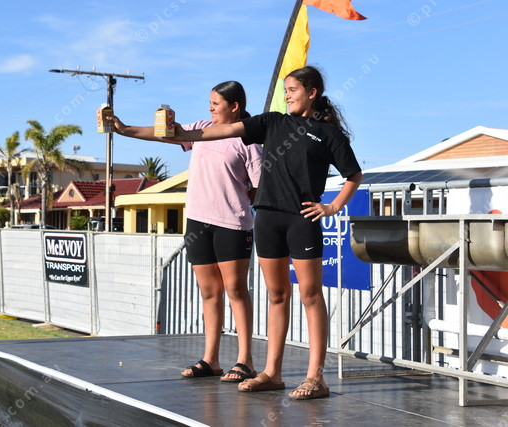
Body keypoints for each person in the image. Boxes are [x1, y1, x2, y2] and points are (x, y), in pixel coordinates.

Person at [172, 66, 363, 399]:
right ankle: (272, 373)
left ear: (312, 93)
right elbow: (222, 131)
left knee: (311, 295)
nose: (287, 96)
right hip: (267, 220)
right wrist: (175, 132)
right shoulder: (273, 122)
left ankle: (316, 378)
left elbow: (354, 175)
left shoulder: (328, 133)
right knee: (277, 295)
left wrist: (332, 207)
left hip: (302, 220)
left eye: (292, 90)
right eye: (285, 90)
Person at [111, 81, 263, 382]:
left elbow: (259, 187)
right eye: (210, 102)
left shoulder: (249, 141)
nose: (210, 108)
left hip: (232, 224)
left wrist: (238, 202)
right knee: (209, 291)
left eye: (216, 103)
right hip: (197, 221)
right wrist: (124, 129)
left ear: (234, 106)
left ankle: (245, 361)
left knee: (235, 290)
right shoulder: (202, 129)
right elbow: (166, 133)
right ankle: (211, 360)